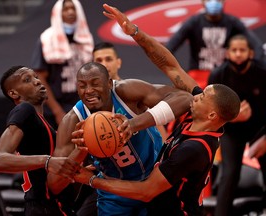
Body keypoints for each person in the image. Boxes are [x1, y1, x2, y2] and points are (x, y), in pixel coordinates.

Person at [70, 4, 241, 216]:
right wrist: (135, 32)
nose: (196, 95)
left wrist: (91, 180)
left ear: (212, 114)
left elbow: (145, 191)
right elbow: (170, 66)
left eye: (203, 96)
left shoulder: (194, 149)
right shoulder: (195, 116)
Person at [47, 61, 193, 215]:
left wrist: (133, 124)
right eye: (82, 86)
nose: (88, 90)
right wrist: (81, 151)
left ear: (109, 83)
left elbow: (185, 98)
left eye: (95, 84)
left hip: (155, 179)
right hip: (115, 191)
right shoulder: (72, 121)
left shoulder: (126, 92)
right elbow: (54, 184)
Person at [0, 66, 79, 216]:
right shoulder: (24, 110)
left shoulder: (41, 122)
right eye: (27, 80)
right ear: (13, 93)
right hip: (42, 207)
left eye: (36, 77)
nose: (37, 81)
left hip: (54, 206)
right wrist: (47, 161)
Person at [207, 34, 266, 216]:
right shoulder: (218, 75)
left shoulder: (263, 73)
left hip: (261, 129)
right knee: (230, 175)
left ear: (251, 53)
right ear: (227, 53)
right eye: (234, 50)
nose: (238, 54)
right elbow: (210, 112)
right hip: (232, 129)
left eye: (242, 50)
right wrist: (234, 117)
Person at [30, 0, 94, 130]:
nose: (70, 12)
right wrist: (57, 111)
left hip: (81, 105)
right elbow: (40, 78)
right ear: (58, 13)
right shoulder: (47, 39)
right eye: (66, 9)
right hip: (54, 108)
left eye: (73, 8)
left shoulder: (85, 37)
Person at [93, 41, 169, 141]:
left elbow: (156, 124)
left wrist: (164, 154)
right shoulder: (90, 101)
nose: (104, 65)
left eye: (108, 59)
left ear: (118, 62)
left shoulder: (133, 92)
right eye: (99, 61)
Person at [165, 0, 264, 72]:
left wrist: (252, 68)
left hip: (225, 73)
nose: (213, 1)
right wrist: (176, 71)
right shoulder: (194, 22)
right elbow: (170, 46)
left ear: (224, 1)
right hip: (198, 73)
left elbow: (256, 46)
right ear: (202, 2)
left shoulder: (232, 22)